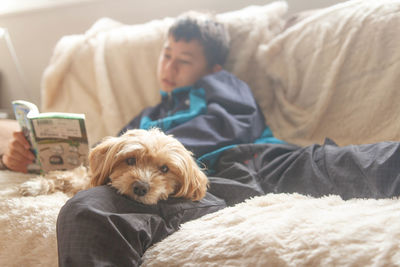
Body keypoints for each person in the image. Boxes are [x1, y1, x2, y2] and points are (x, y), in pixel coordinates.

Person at [5, 11, 400, 267]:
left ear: (211, 66)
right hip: (185, 194)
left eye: (184, 59)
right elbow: (110, 162)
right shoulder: (145, 117)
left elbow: (232, 124)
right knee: (86, 208)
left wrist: (159, 147)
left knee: (356, 161)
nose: (170, 67)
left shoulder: (222, 85)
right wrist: (25, 159)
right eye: (166, 55)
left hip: (256, 161)